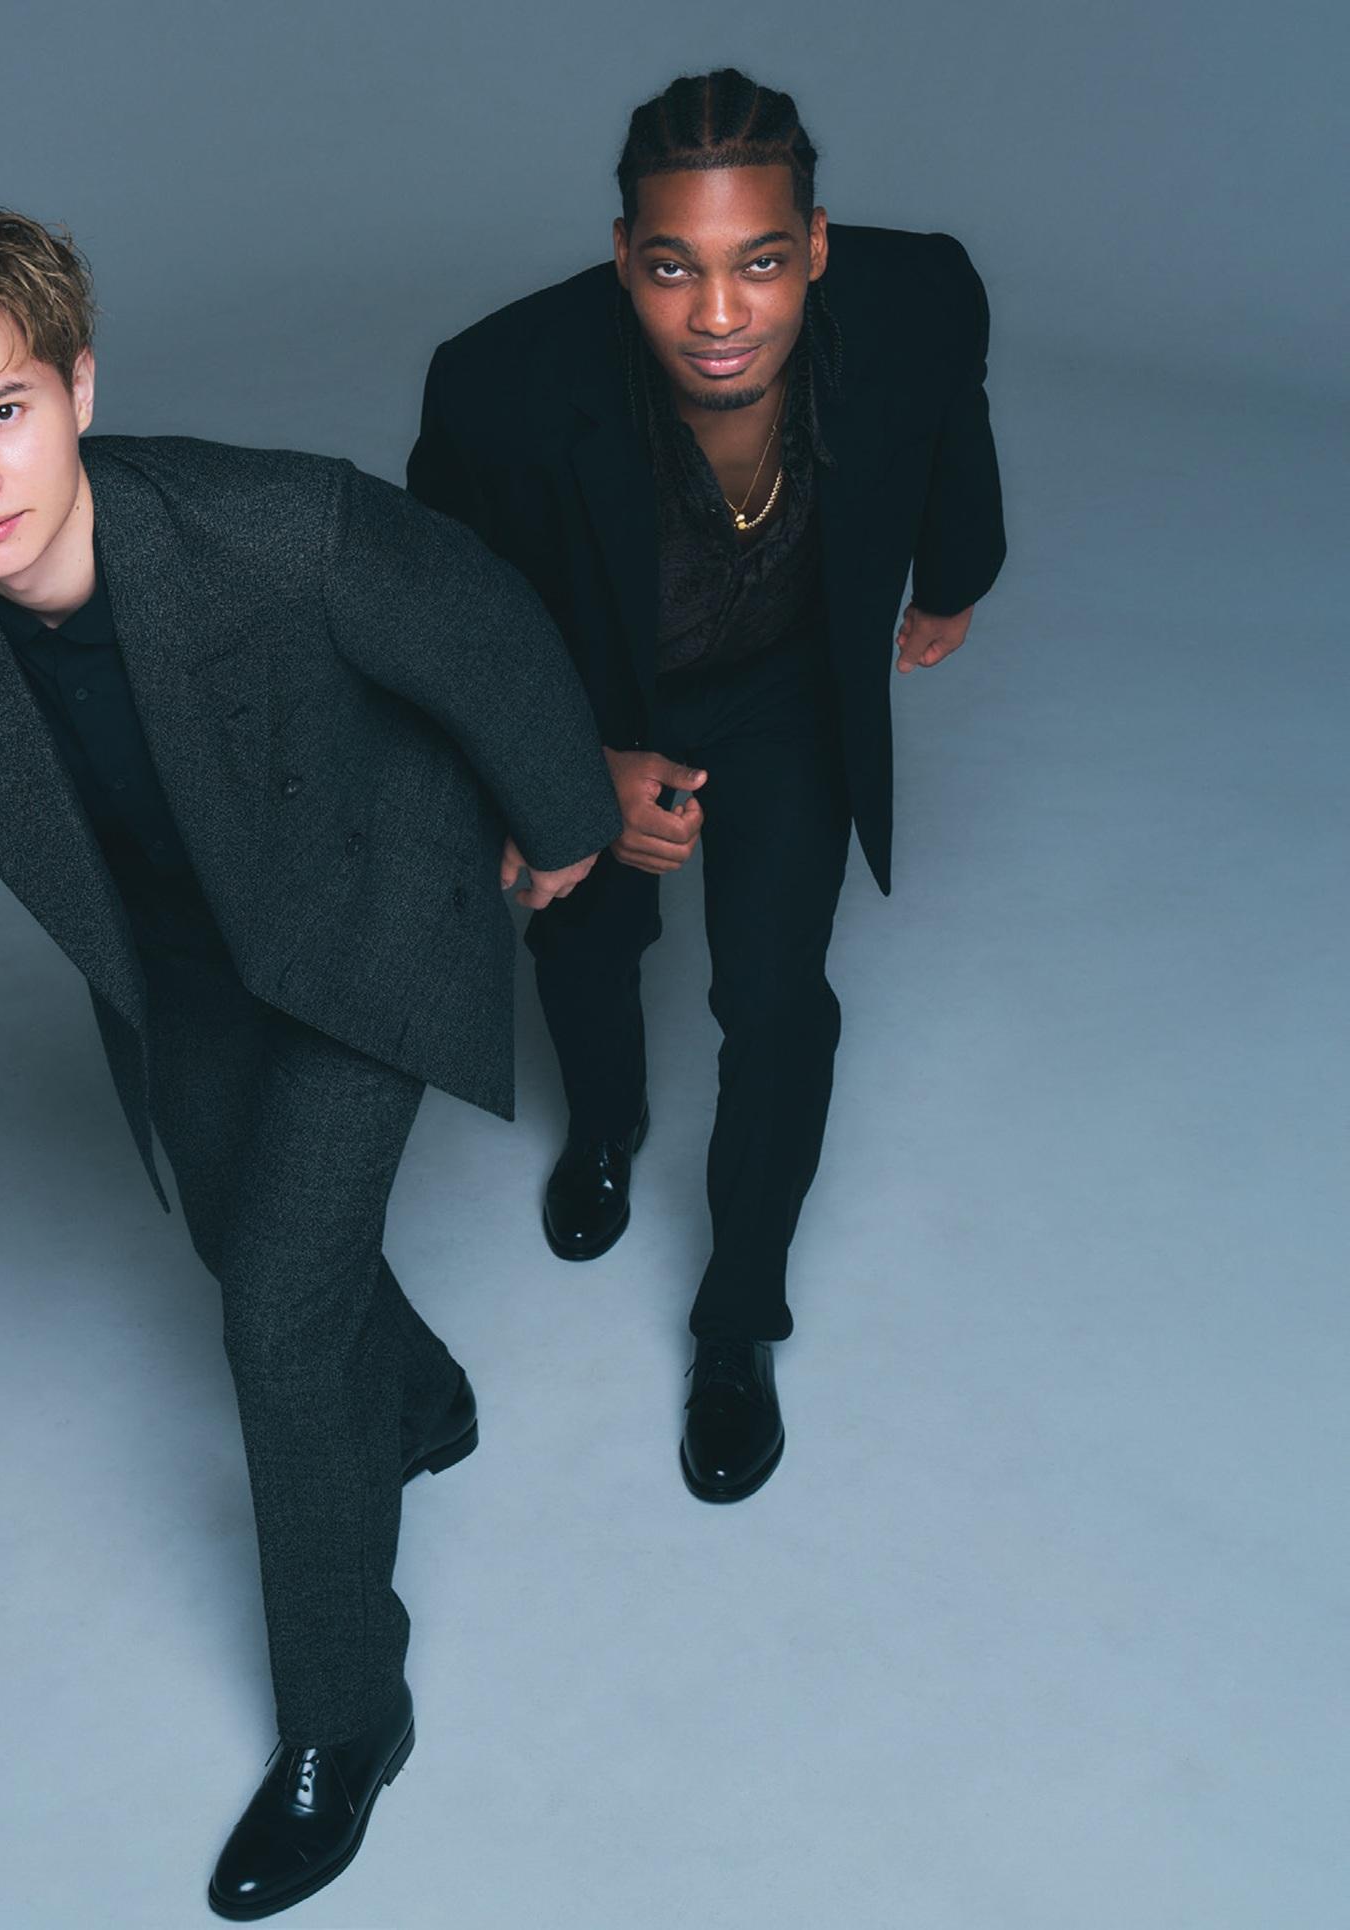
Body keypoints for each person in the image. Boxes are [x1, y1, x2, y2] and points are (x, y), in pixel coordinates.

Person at [0, 196, 618, 1922]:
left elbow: (485, 626)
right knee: (238, 1229)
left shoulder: (279, 527)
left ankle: (346, 1716)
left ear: (78, 386)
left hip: (369, 910)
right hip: (176, 958)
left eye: (3, 407)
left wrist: (564, 830)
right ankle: (420, 1400)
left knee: (276, 1314)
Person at [408, 68, 1006, 1505]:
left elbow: (953, 421)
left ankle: (738, 1319)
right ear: (624, 256)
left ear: (818, 248)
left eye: (761, 264)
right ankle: (605, 1128)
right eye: (675, 268)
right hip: (601, 696)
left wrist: (954, 577)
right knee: (586, 940)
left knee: (779, 1002)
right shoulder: (500, 386)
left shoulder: (921, 301)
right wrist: (569, 769)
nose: (721, 315)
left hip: (789, 690)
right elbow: (436, 618)